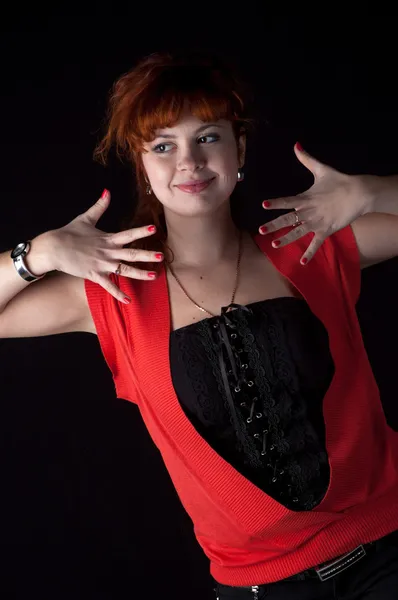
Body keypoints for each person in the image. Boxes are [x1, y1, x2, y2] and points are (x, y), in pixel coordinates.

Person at [1, 51, 398, 599]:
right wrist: (36, 254)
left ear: (240, 150)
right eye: (163, 146)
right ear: (144, 167)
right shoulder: (113, 294)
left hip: (387, 551)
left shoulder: (308, 247)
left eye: (207, 137)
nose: (189, 160)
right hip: (258, 587)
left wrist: (373, 191)